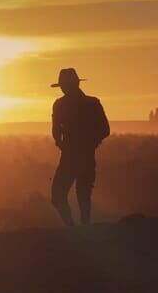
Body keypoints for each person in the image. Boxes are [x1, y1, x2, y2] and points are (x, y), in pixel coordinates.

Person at [50, 68, 110, 226]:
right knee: (83, 195)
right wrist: (91, 143)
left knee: (58, 195)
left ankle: (73, 228)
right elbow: (105, 130)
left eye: (64, 85)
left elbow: (56, 131)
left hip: (70, 157)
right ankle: (83, 228)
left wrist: (61, 143)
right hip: (86, 156)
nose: (63, 88)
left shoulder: (60, 105)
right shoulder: (92, 103)